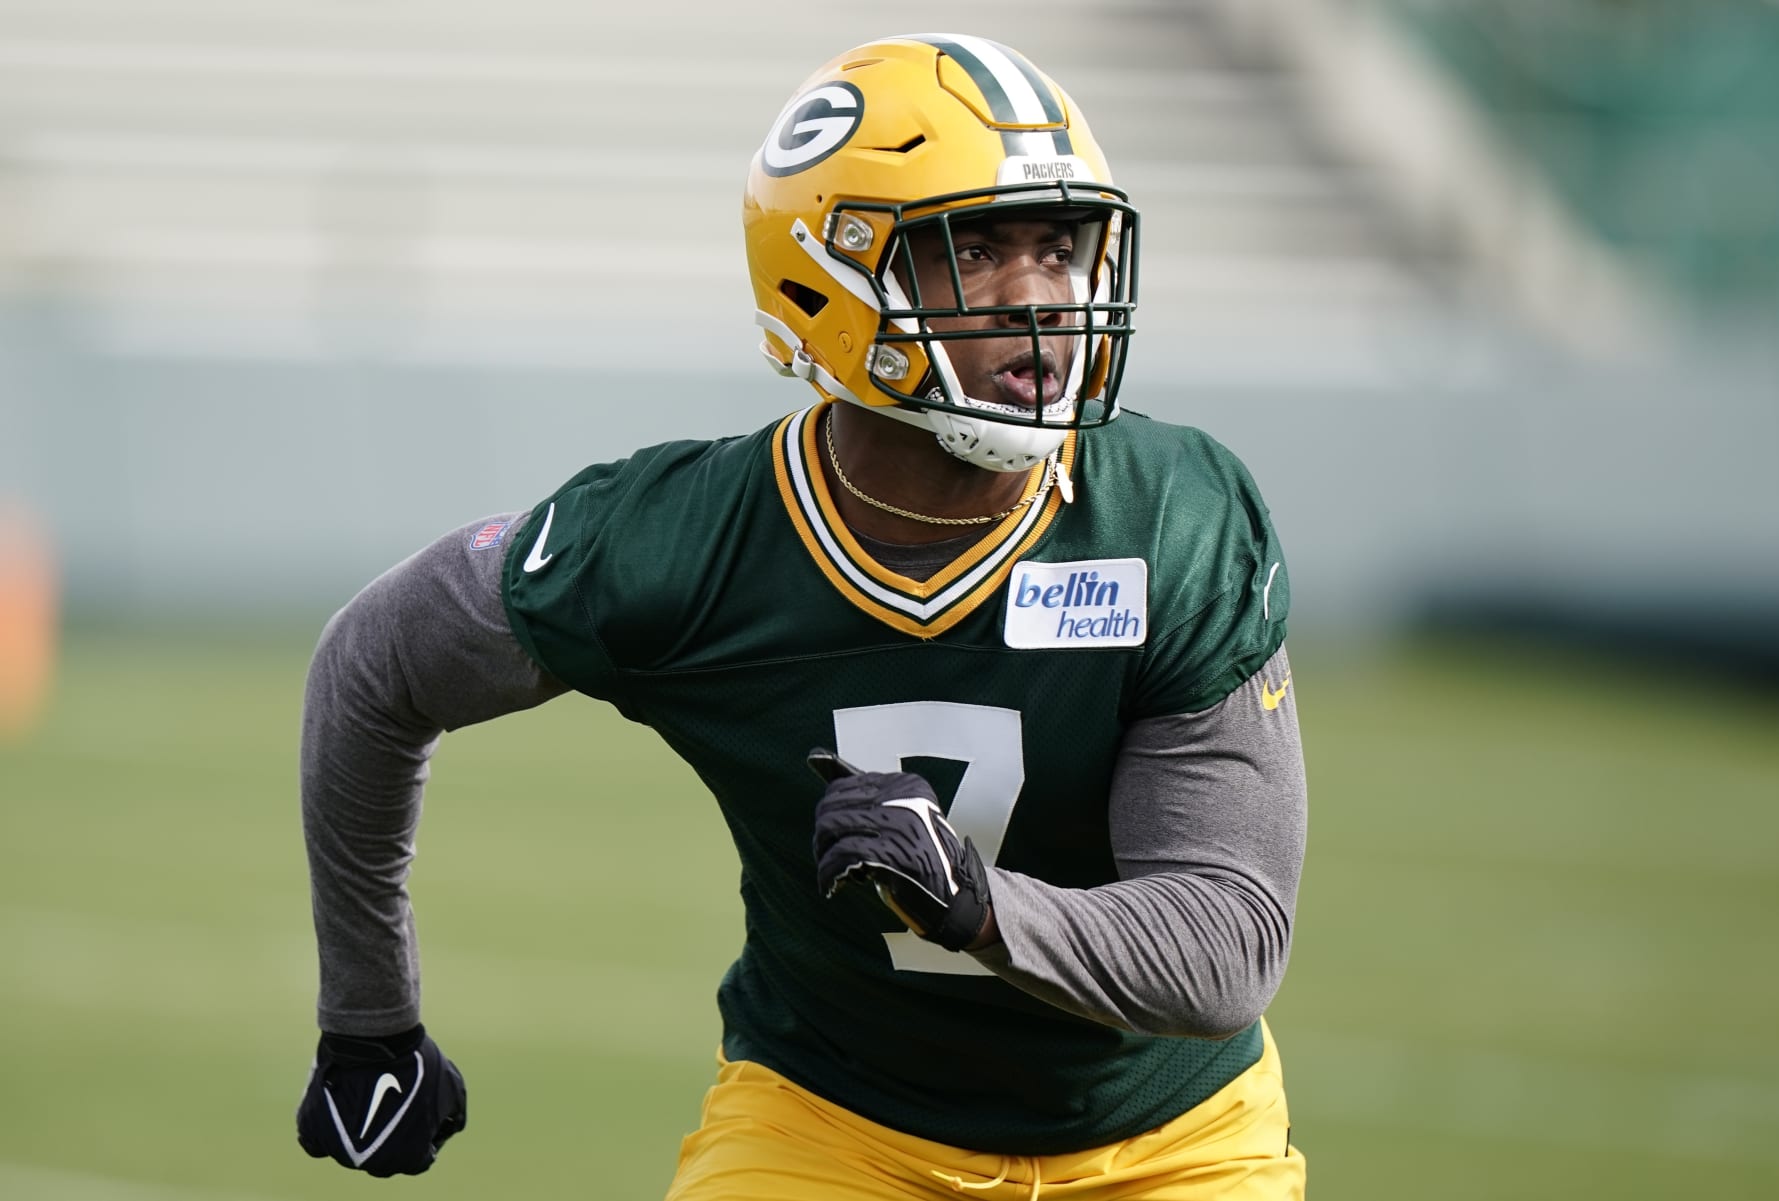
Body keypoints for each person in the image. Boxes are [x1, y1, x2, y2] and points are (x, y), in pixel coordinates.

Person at [295, 32, 1308, 1200]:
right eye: (974, 250)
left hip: (1172, 1138)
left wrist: (978, 903)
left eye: (1058, 244)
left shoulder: (1171, 511)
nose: (1040, 297)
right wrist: (369, 1017)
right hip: (834, 1123)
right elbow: (374, 668)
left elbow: (1226, 939)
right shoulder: (687, 538)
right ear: (828, 279)